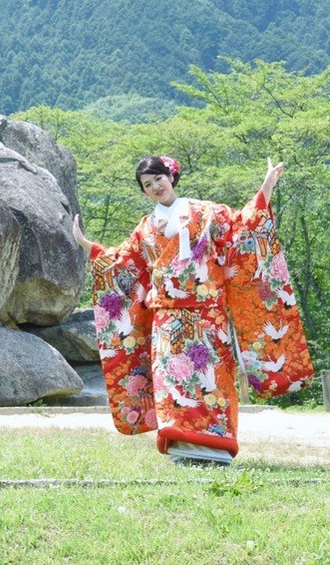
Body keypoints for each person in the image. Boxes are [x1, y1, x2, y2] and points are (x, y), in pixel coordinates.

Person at [72, 155, 313, 465]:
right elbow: (123, 265)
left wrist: (266, 185)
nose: (155, 187)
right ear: (144, 192)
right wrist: (87, 245)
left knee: (214, 380)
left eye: (158, 178)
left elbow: (244, 227)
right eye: (147, 185)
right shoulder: (145, 229)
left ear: (170, 177)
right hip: (167, 320)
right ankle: (181, 450)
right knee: (173, 382)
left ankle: (217, 447)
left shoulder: (208, 213)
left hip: (208, 316)